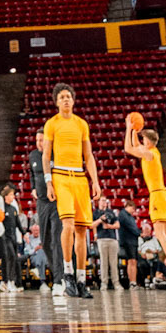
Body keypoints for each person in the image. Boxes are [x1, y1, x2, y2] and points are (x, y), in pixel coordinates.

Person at [43, 85, 105, 301]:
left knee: (82, 230)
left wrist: (95, 181)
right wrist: (48, 181)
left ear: (73, 100)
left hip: (80, 177)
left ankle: (81, 280)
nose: (66, 99)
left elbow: (88, 156)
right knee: (67, 225)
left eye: (69, 96)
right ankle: (67, 274)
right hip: (60, 175)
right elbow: (46, 155)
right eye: (62, 97)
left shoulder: (81, 124)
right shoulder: (52, 123)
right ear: (56, 102)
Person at [125, 116, 166, 288]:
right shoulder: (153, 153)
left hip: (157, 196)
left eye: (143, 139)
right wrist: (134, 131)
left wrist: (128, 128)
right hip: (164, 194)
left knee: (161, 234)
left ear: (149, 141)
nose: (142, 141)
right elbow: (136, 145)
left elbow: (128, 148)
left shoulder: (150, 153)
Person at [28, 127, 66, 303]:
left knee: (57, 240)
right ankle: (57, 275)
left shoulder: (56, 154)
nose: (39, 143)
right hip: (41, 203)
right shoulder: (33, 156)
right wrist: (33, 188)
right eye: (37, 140)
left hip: (56, 202)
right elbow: (31, 174)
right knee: (45, 241)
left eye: (42, 140)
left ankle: (60, 280)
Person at [94, 199, 121, 293]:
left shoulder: (111, 212)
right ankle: (104, 283)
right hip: (101, 239)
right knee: (103, 262)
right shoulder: (96, 213)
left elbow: (117, 225)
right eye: (102, 200)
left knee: (113, 263)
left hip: (112, 239)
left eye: (105, 200)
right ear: (98, 202)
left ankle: (116, 283)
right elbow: (92, 225)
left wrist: (109, 226)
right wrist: (100, 220)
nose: (103, 202)